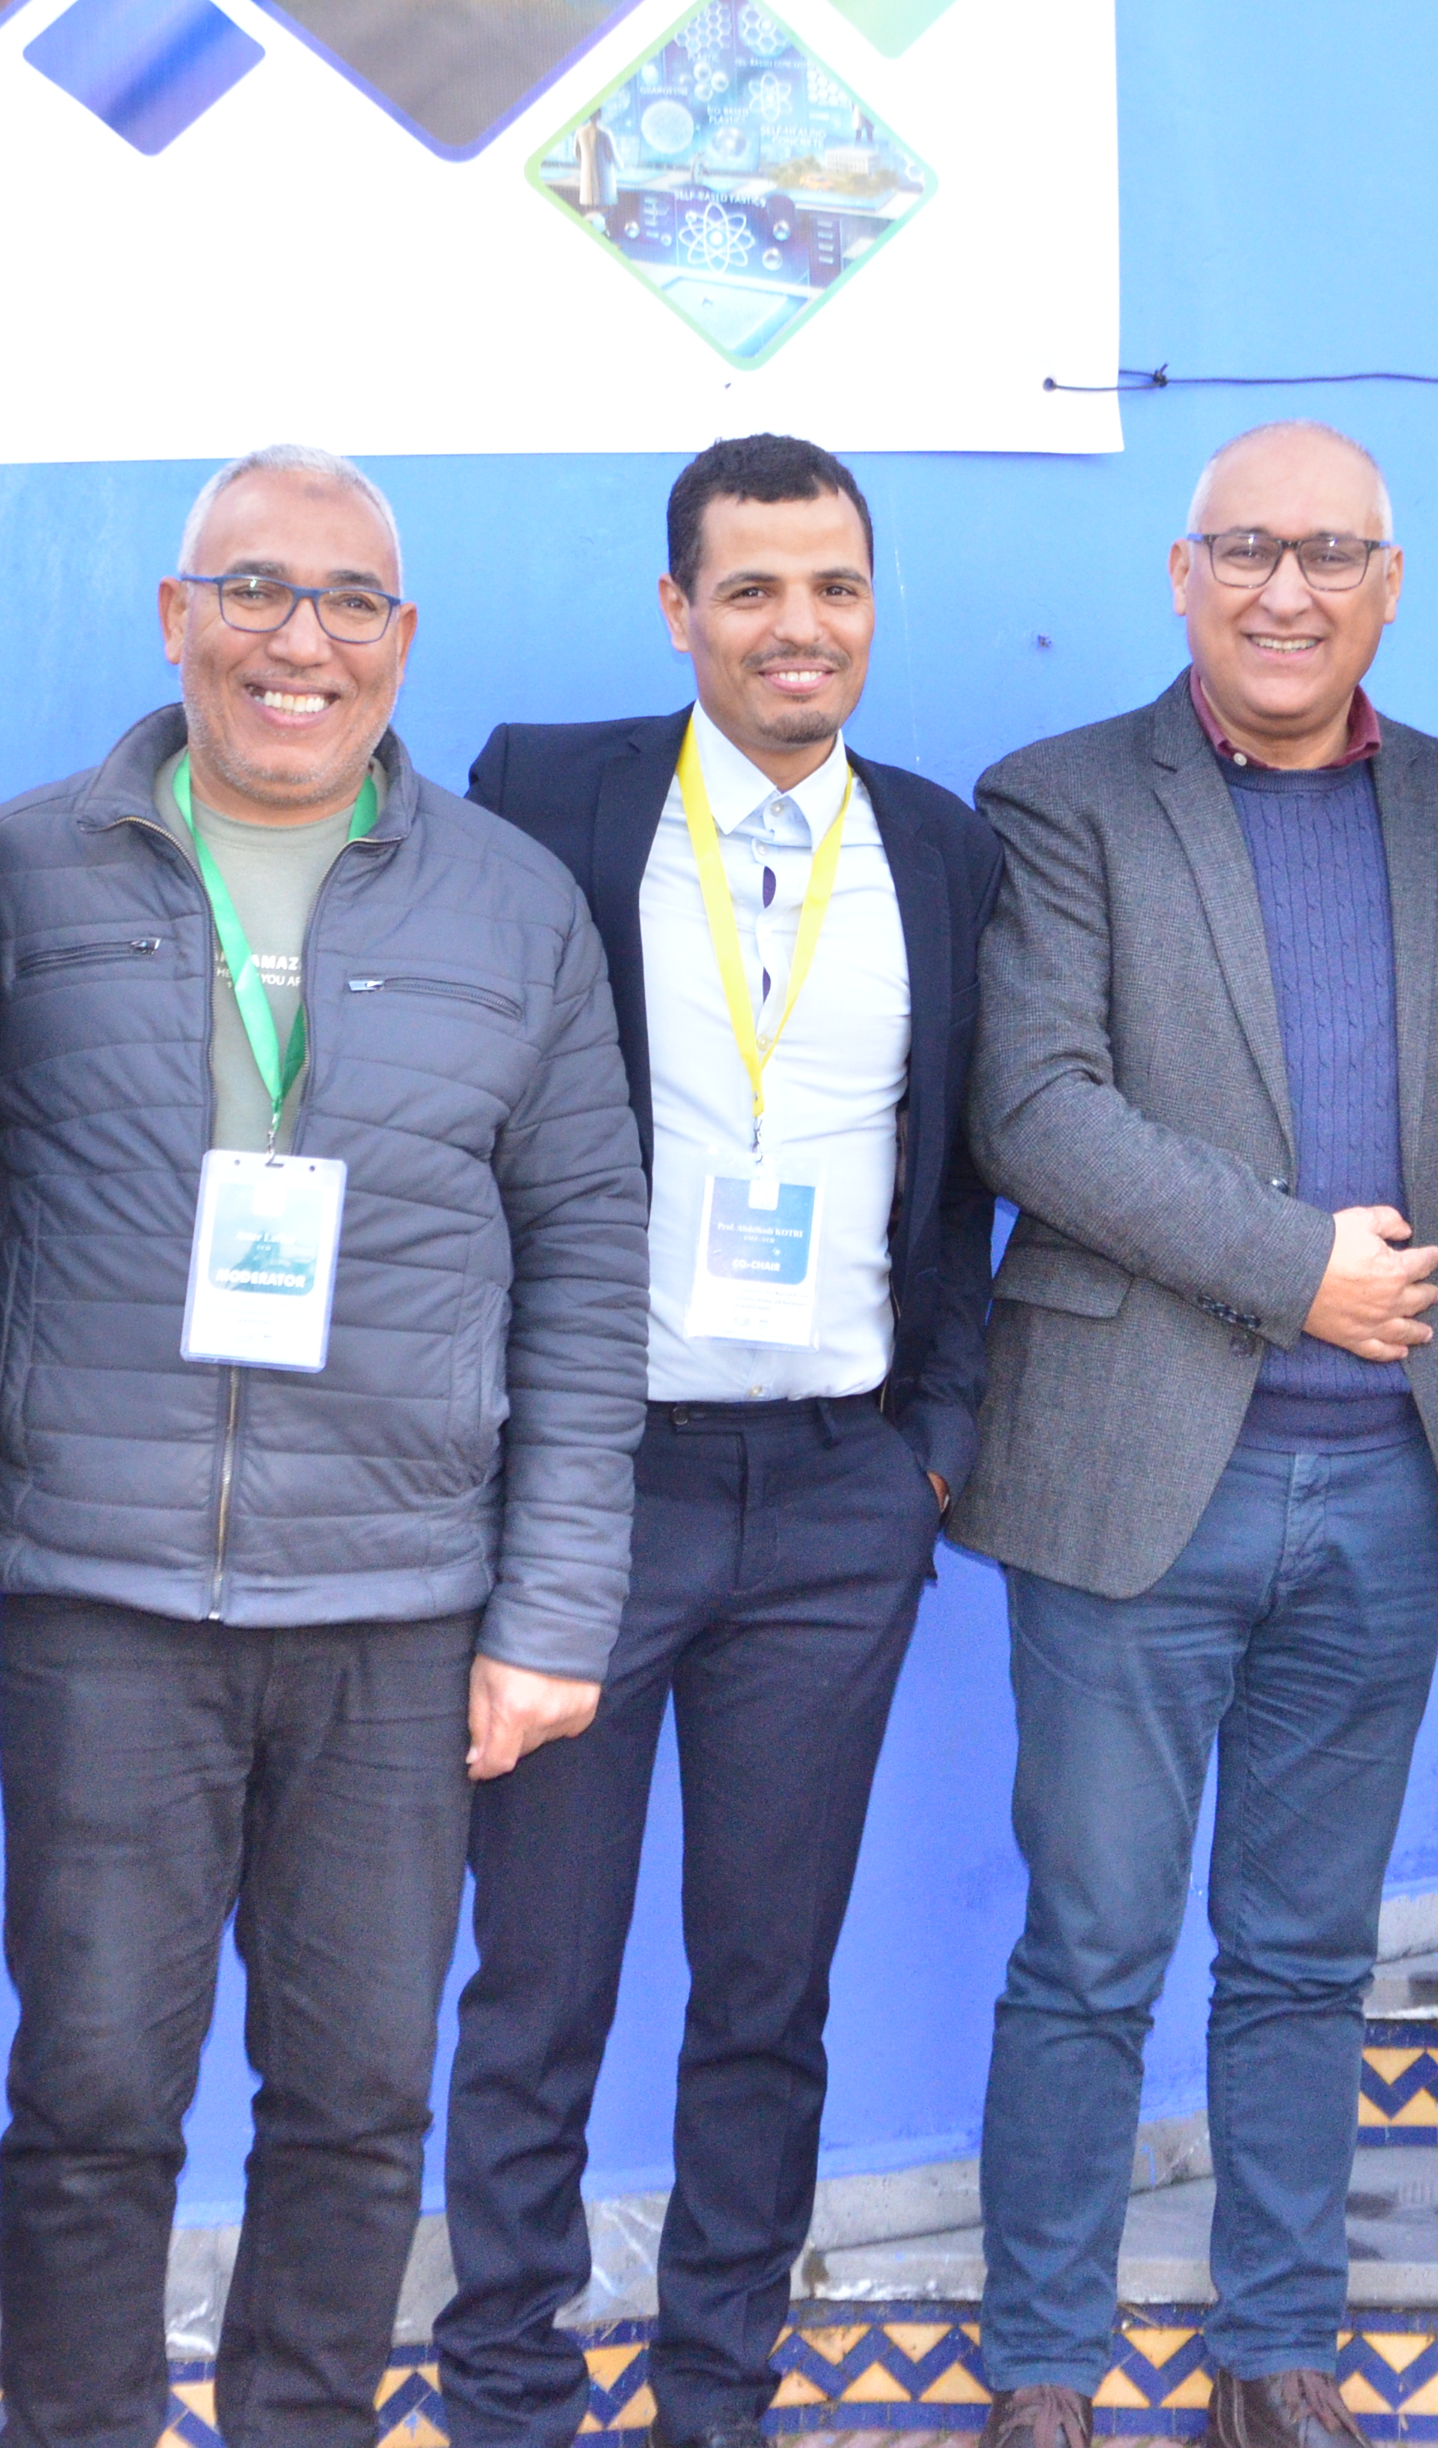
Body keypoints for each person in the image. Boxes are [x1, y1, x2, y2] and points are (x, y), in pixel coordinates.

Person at [0, 442, 650, 2448]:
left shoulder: (512, 903)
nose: (302, 640)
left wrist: (552, 1610)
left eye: (350, 600)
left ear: (402, 639)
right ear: (175, 618)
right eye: (255, 590)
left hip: (398, 1613)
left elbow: (587, 1259)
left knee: (357, 2101)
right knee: (91, 2095)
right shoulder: (13, 873)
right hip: (104, 1596)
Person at [955, 421, 1438, 2448]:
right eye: (1247, 550)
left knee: (1305, 1954)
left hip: (1394, 1482)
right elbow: (1034, 1108)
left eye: (1330, 553)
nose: (1288, 590)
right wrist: (1297, 1269)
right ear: (1181, 575)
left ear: (1390, 585)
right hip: (1133, 1478)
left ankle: (1276, 2352)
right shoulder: (1060, 801)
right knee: (1090, 1948)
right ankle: (1044, 2366)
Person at [437, 433, 1004, 2448]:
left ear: (873, 605)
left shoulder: (939, 847)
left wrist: (932, 1448)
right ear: (678, 608)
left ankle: (717, 2396)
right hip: (596, 1493)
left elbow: (962, 1177)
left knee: (768, 1995)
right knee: (539, 1989)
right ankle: (508, 2393)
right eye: (751, 587)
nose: (797, 625)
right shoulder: (548, 796)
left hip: (841, 1500)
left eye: (833, 585)